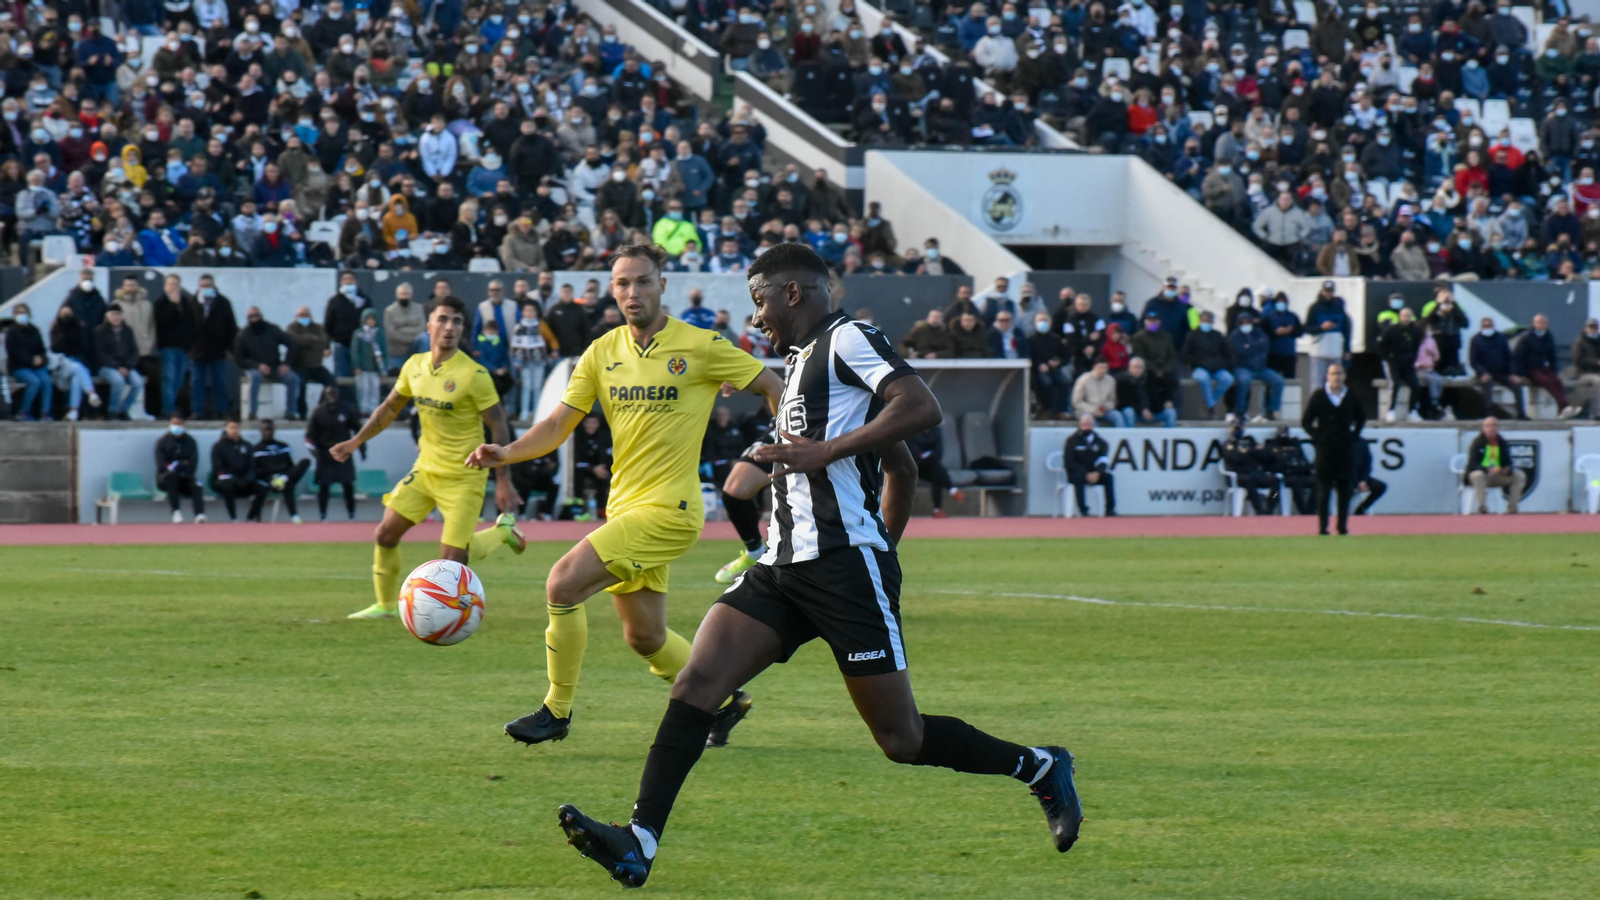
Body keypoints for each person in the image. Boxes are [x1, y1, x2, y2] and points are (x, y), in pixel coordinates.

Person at [552, 242, 1080, 888]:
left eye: (760, 301)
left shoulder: (848, 339)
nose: (757, 318)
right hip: (781, 568)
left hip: (843, 571)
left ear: (792, 293)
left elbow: (920, 411)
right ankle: (639, 841)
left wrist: (869, 531)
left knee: (901, 739)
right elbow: (901, 467)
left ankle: (1041, 767)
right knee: (695, 686)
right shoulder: (800, 360)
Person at [464, 243, 786, 746]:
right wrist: (504, 454)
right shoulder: (601, 352)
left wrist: (783, 445)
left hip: (671, 511)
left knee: (562, 584)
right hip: (625, 509)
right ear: (612, 290)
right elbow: (555, 426)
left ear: (663, 285)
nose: (632, 292)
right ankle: (725, 700)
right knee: (646, 638)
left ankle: (557, 711)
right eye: (622, 283)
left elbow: (771, 383)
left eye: (642, 281)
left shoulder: (700, 345)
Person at [334, 295, 527, 620]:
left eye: (457, 321)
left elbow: (499, 424)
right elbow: (390, 408)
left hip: (465, 476)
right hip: (426, 471)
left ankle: (502, 532)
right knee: (385, 534)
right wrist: (355, 441)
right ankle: (384, 605)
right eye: (443, 319)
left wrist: (503, 480)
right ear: (429, 324)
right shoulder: (414, 366)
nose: (449, 327)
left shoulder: (473, 374)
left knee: (453, 560)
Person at [1301, 363, 1366, 536]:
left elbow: (1361, 418)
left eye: (1339, 373)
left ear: (1344, 376)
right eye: (1333, 374)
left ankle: (1342, 527)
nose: (1336, 377)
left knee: (1344, 492)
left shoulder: (1350, 395)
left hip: (1345, 450)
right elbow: (1306, 421)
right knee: (1323, 492)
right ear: (1327, 376)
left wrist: (1353, 436)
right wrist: (1318, 436)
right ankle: (1323, 528)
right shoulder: (1319, 396)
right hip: (1325, 451)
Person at [233, 307, 302, 421]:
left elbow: (292, 343)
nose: (254, 318)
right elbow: (239, 358)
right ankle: (252, 413)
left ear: (261, 316)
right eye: (251, 316)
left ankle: (291, 412)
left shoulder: (272, 329)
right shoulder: (243, 335)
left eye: (256, 315)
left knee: (293, 379)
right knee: (254, 378)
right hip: (255, 368)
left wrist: (286, 364)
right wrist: (257, 365)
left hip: (274, 366)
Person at [189, 275, 239, 419]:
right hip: (197, 350)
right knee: (197, 382)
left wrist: (230, 349)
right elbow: (187, 326)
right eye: (203, 286)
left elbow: (231, 327)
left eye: (208, 285)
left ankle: (221, 411)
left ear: (214, 286)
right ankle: (197, 411)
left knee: (220, 382)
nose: (206, 288)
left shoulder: (223, 303)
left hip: (218, 350)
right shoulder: (192, 302)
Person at [307, 387, 360, 521]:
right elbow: (309, 436)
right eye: (329, 394)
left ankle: (351, 514)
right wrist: (314, 451)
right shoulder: (318, 412)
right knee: (324, 486)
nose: (332, 397)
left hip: (343, 454)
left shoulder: (346, 410)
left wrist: (361, 447)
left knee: (347, 484)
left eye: (334, 394)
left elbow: (358, 430)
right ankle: (323, 516)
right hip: (325, 455)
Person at [1513, 314, 1580, 419]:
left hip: (1544, 367)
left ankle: (1564, 408)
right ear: (1534, 324)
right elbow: (1518, 355)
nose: (1541, 325)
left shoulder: (1548, 336)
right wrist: (1519, 373)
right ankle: (1564, 406)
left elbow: (1552, 355)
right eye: (1539, 322)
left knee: (1557, 381)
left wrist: (1554, 369)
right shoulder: (1526, 338)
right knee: (1546, 381)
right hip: (1531, 368)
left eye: (1543, 322)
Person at [249, 418, 311, 523]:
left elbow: (291, 466)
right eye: (265, 429)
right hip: (269, 481)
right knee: (285, 484)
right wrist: (273, 475)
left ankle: (283, 479)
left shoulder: (284, 446)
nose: (268, 432)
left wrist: (284, 474)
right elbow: (256, 471)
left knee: (305, 462)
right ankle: (294, 515)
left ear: (274, 430)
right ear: (260, 431)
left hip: (285, 476)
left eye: (270, 429)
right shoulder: (256, 449)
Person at [1464, 416, 1525, 514]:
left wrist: (1507, 469)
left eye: (1494, 425)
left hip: (1498, 475)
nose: (1491, 428)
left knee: (1518, 475)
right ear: (1483, 428)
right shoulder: (1477, 443)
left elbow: (1508, 461)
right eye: (1488, 426)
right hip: (1482, 476)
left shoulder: (1502, 443)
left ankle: (1512, 508)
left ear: (1498, 428)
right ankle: (1482, 508)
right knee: (1477, 475)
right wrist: (1486, 469)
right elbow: (1472, 464)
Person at [1229, 312, 1283, 422]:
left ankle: (1272, 410)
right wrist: (1254, 347)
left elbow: (1265, 344)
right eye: (1243, 322)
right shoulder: (1234, 335)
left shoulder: (1258, 333)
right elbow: (1239, 350)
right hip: (1242, 367)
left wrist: (1249, 347)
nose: (1246, 325)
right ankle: (1240, 411)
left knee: (1278, 381)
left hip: (1260, 368)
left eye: (1248, 322)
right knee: (1244, 381)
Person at [1180, 311, 1235, 418]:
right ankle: (1210, 406)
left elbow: (1227, 353)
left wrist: (1220, 363)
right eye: (1205, 321)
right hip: (1199, 368)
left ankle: (1210, 402)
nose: (1207, 323)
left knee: (1228, 379)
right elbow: (1184, 355)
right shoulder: (1192, 335)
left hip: (1216, 368)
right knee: (1204, 378)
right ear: (1200, 321)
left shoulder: (1218, 335)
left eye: (1209, 321)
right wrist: (1198, 361)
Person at [95, 304, 146, 420]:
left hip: (127, 366)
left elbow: (134, 351)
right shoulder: (100, 331)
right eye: (113, 315)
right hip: (107, 367)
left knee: (138, 383)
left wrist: (127, 366)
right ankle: (112, 410)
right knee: (118, 381)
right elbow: (100, 353)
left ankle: (124, 409)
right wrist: (117, 367)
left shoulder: (128, 331)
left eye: (118, 315)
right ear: (107, 316)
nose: (116, 317)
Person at [1376, 308, 1427, 422]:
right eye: (1404, 316)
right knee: (1395, 384)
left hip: (1408, 364)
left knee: (1415, 385)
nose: (1406, 319)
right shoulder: (1390, 330)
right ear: (1400, 317)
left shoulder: (1415, 331)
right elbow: (1380, 346)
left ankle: (1412, 411)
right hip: (1393, 363)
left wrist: (1412, 358)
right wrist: (1387, 358)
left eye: (1408, 316)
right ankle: (1391, 411)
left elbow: (1416, 347)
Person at [154, 414, 206, 523]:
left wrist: (179, 466)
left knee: (197, 485)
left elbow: (192, 464)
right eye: (174, 424)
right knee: (172, 477)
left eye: (179, 424)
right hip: (165, 479)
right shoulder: (162, 442)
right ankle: (176, 511)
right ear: (169, 424)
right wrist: (182, 463)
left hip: (185, 478)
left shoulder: (190, 442)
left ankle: (199, 514)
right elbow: (162, 465)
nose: (177, 427)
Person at [1469, 318, 1525, 419]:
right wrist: (1482, 373)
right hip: (1485, 373)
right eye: (1485, 326)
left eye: (1489, 326)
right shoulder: (1476, 340)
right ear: (1481, 327)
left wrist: (1513, 373)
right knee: (1487, 384)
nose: (1487, 328)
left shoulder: (1501, 338)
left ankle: (1521, 413)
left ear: (1493, 326)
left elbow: (1509, 357)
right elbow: (1474, 361)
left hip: (1502, 373)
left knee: (1516, 385)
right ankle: (1489, 413)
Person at [907, 423, 966, 518]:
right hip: (916, 466)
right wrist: (926, 455)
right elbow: (913, 452)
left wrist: (927, 455)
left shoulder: (935, 430)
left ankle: (937, 510)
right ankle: (951, 490)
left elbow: (939, 451)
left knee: (937, 473)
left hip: (932, 467)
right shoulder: (911, 430)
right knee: (937, 468)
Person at [511, 300, 555, 421]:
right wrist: (517, 361)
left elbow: (549, 338)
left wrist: (554, 350)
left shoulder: (541, 325)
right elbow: (515, 345)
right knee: (526, 386)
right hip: (525, 362)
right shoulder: (518, 327)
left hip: (538, 360)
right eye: (527, 310)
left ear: (536, 312)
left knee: (537, 386)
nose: (529, 313)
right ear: (523, 312)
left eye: (532, 311)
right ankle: (524, 413)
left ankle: (537, 411)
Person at [1222, 422, 1280, 515]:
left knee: (1276, 481)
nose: (1238, 430)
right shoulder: (1229, 444)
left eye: (1240, 427)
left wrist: (1249, 451)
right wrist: (1252, 452)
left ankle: (1270, 508)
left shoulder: (1250, 441)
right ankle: (1259, 510)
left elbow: (1264, 454)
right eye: (1235, 428)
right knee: (1250, 481)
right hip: (1241, 475)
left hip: (1256, 473)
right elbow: (1236, 457)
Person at [4, 304, 50, 420]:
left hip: (36, 366)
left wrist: (41, 359)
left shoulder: (35, 330)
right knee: (34, 382)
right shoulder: (11, 332)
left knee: (47, 381)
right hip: (19, 367)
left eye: (24, 312)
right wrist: (30, 360)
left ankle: (45, 413)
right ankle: (24, 411)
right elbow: (13, 353)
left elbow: (42, 349)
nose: (22, 315)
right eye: (19, 313)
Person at [209, 418, 259, 522]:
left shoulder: (247, 445)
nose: (234, 431)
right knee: (228, 486)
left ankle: (250, 518)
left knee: (262, 487)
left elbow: (252, 467)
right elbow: (218, 469)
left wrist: (247, 479)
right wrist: (233, 479)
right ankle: (233, 518)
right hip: (226, 481)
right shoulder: (218, 446)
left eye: (237, 428)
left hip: (244, 481)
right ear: (226, 429)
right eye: (231, 428)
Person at [1304, 281, 1351, 390]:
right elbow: (1307, 328)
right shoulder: (1314, 308)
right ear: (1322, 291)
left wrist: (1347, 349)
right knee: (1317, 384)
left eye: (1330, 292)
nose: (1328, 294)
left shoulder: (1339, 307)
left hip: (1335, 351)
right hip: (1319, 352)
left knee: (1336, 382)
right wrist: (1321, 328)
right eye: (1326, 291)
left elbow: (1346, 330)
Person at [1266, 426, 1316, 515]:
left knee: (1317, 483)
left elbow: (1302, 459)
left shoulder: (1294, 445)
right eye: (1280, 432)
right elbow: (1271, 463)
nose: (1283, 434)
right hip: (1282, 477)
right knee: (1277, 492)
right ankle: (1302, 510)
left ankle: (1310, 509)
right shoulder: (1272, 446)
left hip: (1299, 472)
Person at [1117, 357, 1177, 427]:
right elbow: (1124, 402)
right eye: (1135, 367)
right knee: (1128, 412)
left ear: (1144, 369)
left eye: (1140, 367)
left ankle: (1168, 436)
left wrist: (1169, 400)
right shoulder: (1122, 381)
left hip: (1153, 413)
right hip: (1136, 414)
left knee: (1171, 412)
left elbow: (1168, 387)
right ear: (1129, 367)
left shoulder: (1151, 378)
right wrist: (1142, 410)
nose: (1137, 370)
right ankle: (1130, 435)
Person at [350, 310, 387, 415]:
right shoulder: (359, 334)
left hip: (375, 368)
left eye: (373, 319)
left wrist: (384, 367)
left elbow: (384, 350)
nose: (371, 321)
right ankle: (364, 409)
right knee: (363, 389)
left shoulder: (379, 334)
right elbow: (355, 351)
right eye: (368, 319)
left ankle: (374, 409)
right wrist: (356, 365)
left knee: (374, 389)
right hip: (362, 368)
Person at [1071, 359, 1125, 427]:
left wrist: (1105, 407)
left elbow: (1112, 400)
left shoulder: (1111, 380)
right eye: (1101, 367)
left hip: (1104, 411)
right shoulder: (1083, 379)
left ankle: (1122, 436)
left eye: (1105, 368)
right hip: (1085, 411)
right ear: (1094, 367)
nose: (1103, 370)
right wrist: (1093, 410)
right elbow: (1077, 402)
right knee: (1090, 420)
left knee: (1117, 415)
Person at [1570, 318, 1600, 419]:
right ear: (1585, 328)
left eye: (1595, 327)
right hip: (1584, 373)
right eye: (1590, 327)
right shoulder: (1579, 342)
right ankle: (1596, 413)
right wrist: (1596, 362)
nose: (1593, 329)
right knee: (1598, 381)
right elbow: (1578, 360)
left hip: (1597, 372)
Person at [1350, 436, 1388, 516]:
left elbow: (1367, 464)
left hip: (1359, 477)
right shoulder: (1336, 442)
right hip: (1342, 477)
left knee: (1381, 486)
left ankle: (1361, 510)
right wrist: (1357, 482)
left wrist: (1363, 480)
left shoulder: (1361, 442)